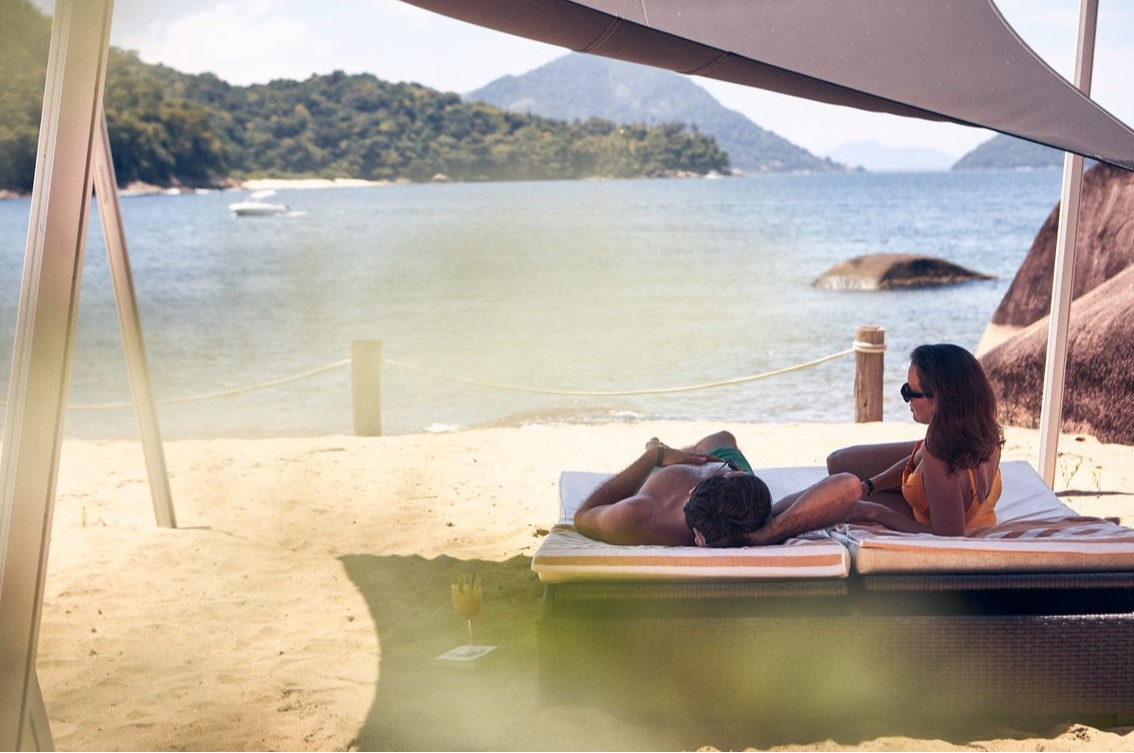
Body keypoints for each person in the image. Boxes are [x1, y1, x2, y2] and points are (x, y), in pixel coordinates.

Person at [826, 343, 1004, 536]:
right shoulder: (986, 435)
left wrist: (876, 513)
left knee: (833, 499)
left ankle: (787, 516)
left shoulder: (938, 456)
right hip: (937, 501)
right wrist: (870, 485)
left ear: (937, 399)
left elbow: (950, 537)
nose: (906, 399)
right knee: (837, 462)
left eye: (910, 393)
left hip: (920, 514)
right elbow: (919, 459)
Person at [573, 430, 860, 547]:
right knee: (719, 439)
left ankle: (667, 451)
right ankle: (666, 451)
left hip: (713, 472)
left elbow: (584, 514)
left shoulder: (638, 514)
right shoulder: (756, 519)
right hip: (713, 470)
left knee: (721, 436)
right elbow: (848, 486)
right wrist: (653, 459)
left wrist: (653, 459)